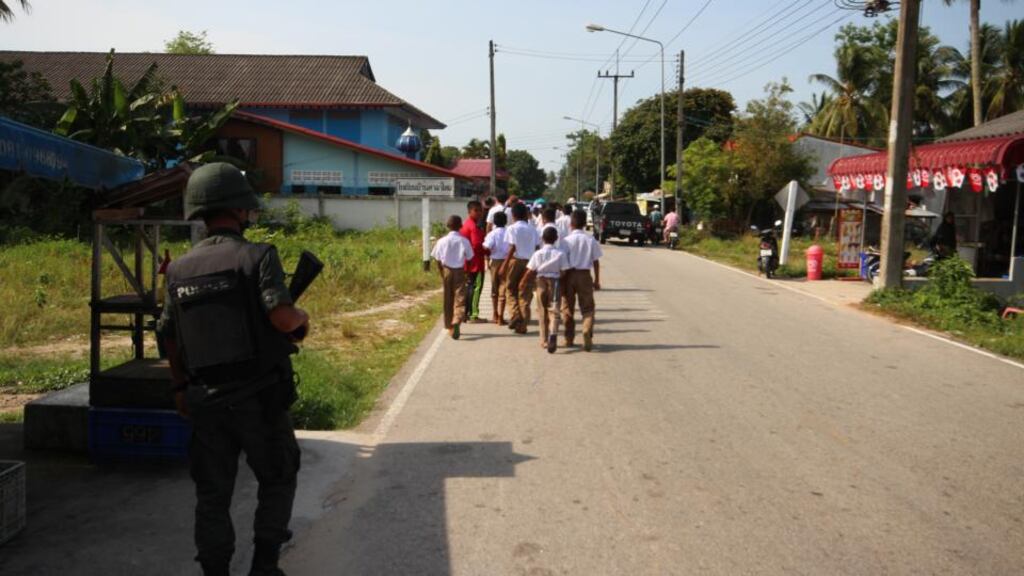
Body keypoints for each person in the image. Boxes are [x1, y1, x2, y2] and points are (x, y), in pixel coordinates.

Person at [157, 162, 308, 576]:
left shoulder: (178, 270)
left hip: (205, 400)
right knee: (278, 476)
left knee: (212, 493)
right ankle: (263, 564)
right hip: (259, 400)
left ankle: (215, 570)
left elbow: (169, 335)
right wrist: (302, 316)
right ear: (240, 209)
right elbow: (281, 317)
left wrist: (179, 388)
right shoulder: (258, 256)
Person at [520, 226, 568, 351]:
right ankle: (553, 333)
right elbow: (564, 272)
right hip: (555, 283)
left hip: (540, 282)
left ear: (542, 239)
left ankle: (544, 340)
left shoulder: (538, 253)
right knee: (554, 311)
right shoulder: (560, 253)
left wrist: (523, 282)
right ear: (556, 239)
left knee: (542, 312)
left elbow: (530, 270)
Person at [561, 209, 602, 351]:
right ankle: (586, 330)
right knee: (588, 307)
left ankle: (568, 339)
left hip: (568, 275)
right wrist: (596, 280)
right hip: (584, 275)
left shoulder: (565, 241)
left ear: (571, 223)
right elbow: (596, 261)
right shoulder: (591, 240)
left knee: (567, 308)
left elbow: (562, 260)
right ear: (585, 224)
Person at [432, 215, 474, 340]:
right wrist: (467, 272)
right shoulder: (464, 240)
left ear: (447, 226)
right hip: (460, 270)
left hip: (447, 270)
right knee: (460, 298)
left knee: (448, 299)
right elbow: (470, 258)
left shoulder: (441, 241)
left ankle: (449, 325)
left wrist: (442, 272)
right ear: (461, 226)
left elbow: (437, 259)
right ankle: (457, 319)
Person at [500, 202, 540, 334]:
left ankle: (515, 314)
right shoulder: (533, 229)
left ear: (513, 215)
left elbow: (512, 247)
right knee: (525, 293)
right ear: (526, 215)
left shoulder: (511, 228)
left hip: (515, 261)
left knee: (510, 289)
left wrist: (504, 265)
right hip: (529, 262)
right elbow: (537, 248)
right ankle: (522, 326)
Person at [460, 200, 487, 323]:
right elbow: (476, 245)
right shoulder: (473, 226)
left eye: (480, 210)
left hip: (469, 261)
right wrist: (487, 251)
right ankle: (473, 314)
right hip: (475, 262)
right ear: (469, 211)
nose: (479, 213)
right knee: (476, 287)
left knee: (470, 286)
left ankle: (466, 313)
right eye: (476, 210)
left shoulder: (468, 224)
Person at [483, 211, 510, 325]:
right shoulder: (509, 232)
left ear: (494, 222)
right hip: (507, 261)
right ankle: (501, 316)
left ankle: (495, 313)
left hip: (495, 261)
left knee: (495, 288)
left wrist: (487, 258)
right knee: (503, 289)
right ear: (506, 221)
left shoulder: (492, 234)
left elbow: (486, 247)